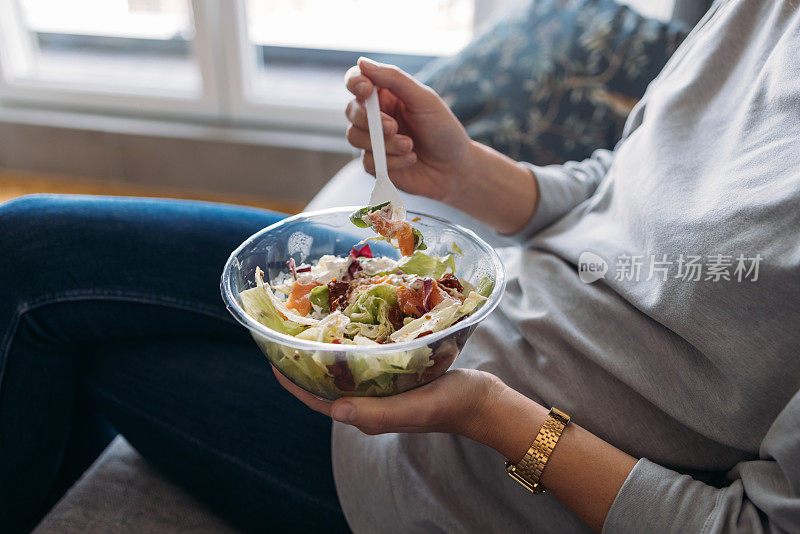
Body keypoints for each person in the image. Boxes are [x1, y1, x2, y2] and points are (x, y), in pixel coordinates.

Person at [1, 0, 798, 532]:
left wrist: (486, 412)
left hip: (474, 478)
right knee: (31, 242)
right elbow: (620, 191)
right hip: (456, 321)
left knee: (65, 325)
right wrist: (466, 173)